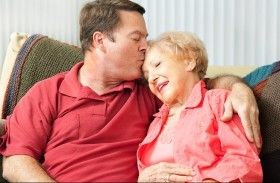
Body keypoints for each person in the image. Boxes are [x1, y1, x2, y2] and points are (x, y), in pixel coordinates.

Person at [0, 0, 260, 182]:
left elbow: (202, 86)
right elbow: (16, 162)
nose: (146, 47)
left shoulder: (150, 91)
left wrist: (238, 88)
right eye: (137, 38)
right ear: (100, 41)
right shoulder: (47, 92)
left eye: (146, 39)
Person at [137, 31, 262, 182]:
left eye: (157, 65)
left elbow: (244, 161)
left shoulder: (218, 102)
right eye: (147, 75)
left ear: (189, 61)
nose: (152, 78)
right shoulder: (155, 123)